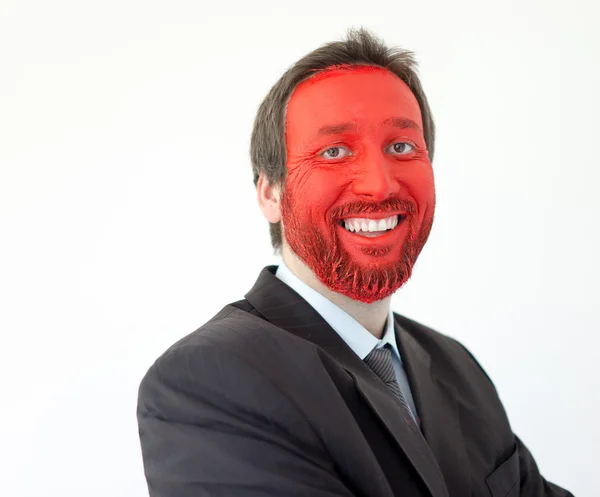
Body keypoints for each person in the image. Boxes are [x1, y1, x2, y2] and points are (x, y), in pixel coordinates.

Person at [136, 28, 574, 497]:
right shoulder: (208, 379)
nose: (379, 186)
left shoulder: (455, 366)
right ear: (270, 193)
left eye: (401, 147)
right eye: (335, 151)